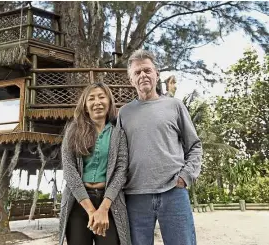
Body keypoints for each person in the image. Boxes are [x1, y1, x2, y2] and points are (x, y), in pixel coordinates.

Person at [118, 49, 202, 245]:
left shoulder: (175, 106)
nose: (143, 75)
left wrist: (185, 177)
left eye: (147, 70)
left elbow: (195, 146)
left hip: (174, 191)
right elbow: (119, 155)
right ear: (131, 80)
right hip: (135, 197)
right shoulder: (124, 113)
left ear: (156, 74)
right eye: (137, 73)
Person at [59, 82, 131, 245]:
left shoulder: (118, 134)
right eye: (91, 98)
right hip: (78, 203)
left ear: (109, 102)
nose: (97, 102)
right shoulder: (73, 130)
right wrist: (92, 211)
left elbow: (121, 172)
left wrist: (103, 209)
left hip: (110, 203)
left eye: (101, 97)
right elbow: (69, 171)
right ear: (85, 106)